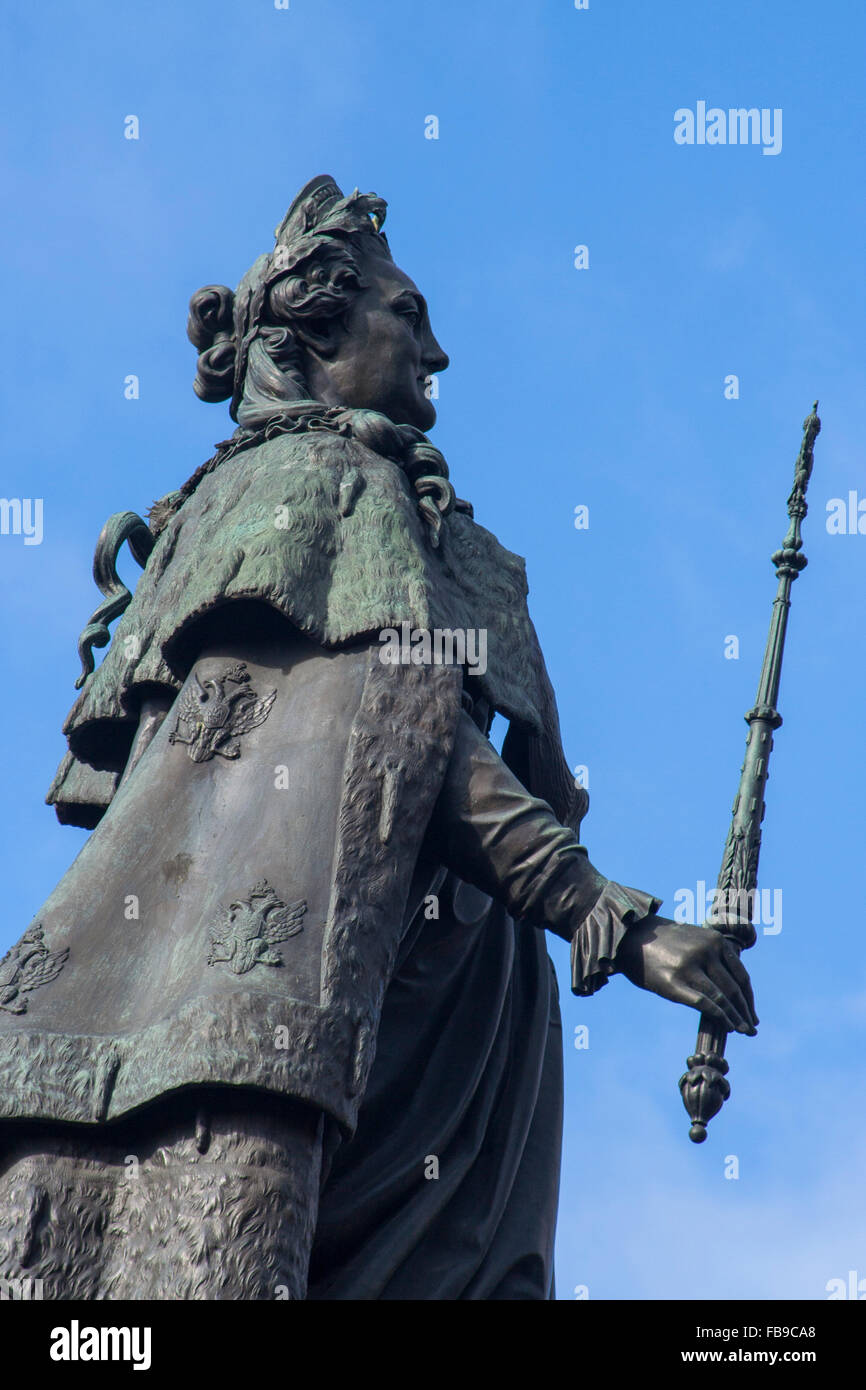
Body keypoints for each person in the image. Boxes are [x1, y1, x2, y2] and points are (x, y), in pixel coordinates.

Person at [0, 176, 757, 1300]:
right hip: (321, 1056)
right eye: (408, 315)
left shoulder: (273, 497)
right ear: (310, 332)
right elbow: (405, 728)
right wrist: (611, 919)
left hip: (403, 1037)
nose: (438, 353)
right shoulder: (324, 485)